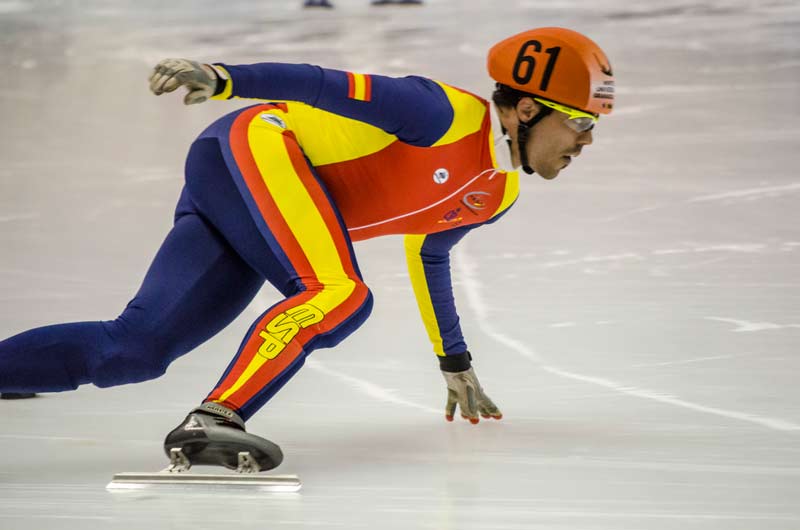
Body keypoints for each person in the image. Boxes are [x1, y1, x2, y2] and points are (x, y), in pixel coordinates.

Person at [0, 27, 614, 471]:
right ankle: (216, 419)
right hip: (258, 147)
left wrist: (452, 358)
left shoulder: (496, 193)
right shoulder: (444, 114)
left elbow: (430, 256)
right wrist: (225, 79)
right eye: (582, 123)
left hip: (255, 193)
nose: (586, 141)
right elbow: (324, 86)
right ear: (529, 108)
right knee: (339, 293)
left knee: (134, 351)